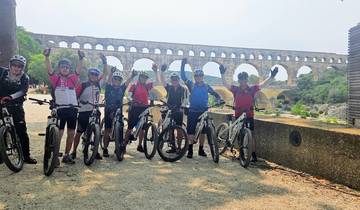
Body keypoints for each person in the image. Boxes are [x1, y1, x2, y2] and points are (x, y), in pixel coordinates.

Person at [219, 64, 278, 162]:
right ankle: (241, 153)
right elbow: (225, 85)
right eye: (241, 80)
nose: (243, 81)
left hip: (249, 115)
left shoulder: (252, 89)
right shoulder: (235, 89)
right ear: (239, 81)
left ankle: (253, 154)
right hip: (238, 115)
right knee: (240, 135)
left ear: (247, 80)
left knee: (251, 135)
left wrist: (271, 77)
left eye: (244, 79)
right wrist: (222, 74)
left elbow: (263, 84)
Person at [44, 48, 84, 164]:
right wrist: (47, 57)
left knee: (71, 133)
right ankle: (55, 156)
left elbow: (78, 70)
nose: (65, 69)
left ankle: (66, 155)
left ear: (69, 69)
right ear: (59, 68)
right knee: (59, 134)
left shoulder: (72, 78)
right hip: (60, 109)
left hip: (72, 109)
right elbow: (49, 70)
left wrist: (81, 59)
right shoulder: (55, 79)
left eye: (67, 67)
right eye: (62, 67)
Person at [180, 58, 222, 158]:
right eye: (196, 76)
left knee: (203, 131)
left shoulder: (206, 86)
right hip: (193, 110)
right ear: (194, 77)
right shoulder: (191, 84)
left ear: (202, 77)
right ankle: (190, 150)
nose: (198, 77)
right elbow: (183, 76)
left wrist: (219, 98)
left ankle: (201, 149)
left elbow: (214, 93)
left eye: (200, 76)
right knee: (191, 131)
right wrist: (183, 65)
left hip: (204, 110)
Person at [70, 53, 108, 160]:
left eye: (96, 75)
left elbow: (105, 73)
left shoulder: (98, 84)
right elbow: (75, 96)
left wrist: (104, 62)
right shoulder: (82, 85)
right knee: (79, 132)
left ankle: (94, 151)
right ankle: (73, 152)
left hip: (95, 110)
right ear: (89, 75)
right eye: (92, 74)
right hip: (84, 111)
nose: (94, 76)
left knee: (96, 131)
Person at [0, 55, 37, 164]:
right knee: (1, 130)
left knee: (22, 131)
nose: (17, 68)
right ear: (10, 65)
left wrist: (10, 97)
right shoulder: (2, 73)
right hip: (1, 105)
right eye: (14, 65)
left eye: (20, 66)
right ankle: (1, 156)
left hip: (16, 106)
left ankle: (26, 156)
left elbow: (23, 91)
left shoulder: (24, 77)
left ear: (23, 68)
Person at [102, 67, 137, 157]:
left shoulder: (122, 88)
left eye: (119, 80)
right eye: (115, 79)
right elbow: (108, 81)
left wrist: (132, 76)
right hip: (109, 111)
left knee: (120, 129)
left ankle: (119, 147)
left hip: (118, 111)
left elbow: (127, 82)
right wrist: (111, 73)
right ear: (113, 80)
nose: (117, 81)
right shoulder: (108, 87)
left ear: (120, 81)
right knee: (107, 130)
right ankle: (105, 148)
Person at [154, 63, 188, 153]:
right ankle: (169, 144)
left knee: (178, 129)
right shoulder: (169, 87)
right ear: (171, 80)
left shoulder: (183, 89)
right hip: (169, 108)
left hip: (178, 110)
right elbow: (162, 81)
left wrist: (182, 107)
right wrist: (162, 71)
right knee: (165, 124)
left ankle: (179, 147)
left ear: (178, 80)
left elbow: (185, 100)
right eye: (173, 79)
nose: (174, 81)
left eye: (176, 79)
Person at [124, 68, 157, 153]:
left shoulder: (147, 86)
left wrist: (156, 71)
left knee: (143, 128)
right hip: (135, 107)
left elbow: (156, 83)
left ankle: (139, 145)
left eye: (145, 78)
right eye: (142, 77)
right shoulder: (134, 85)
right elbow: (129, 95)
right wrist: (131, 100)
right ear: (139, 77)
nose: (144, 79)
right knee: (130, 127)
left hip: (144, 108)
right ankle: (124, 144)